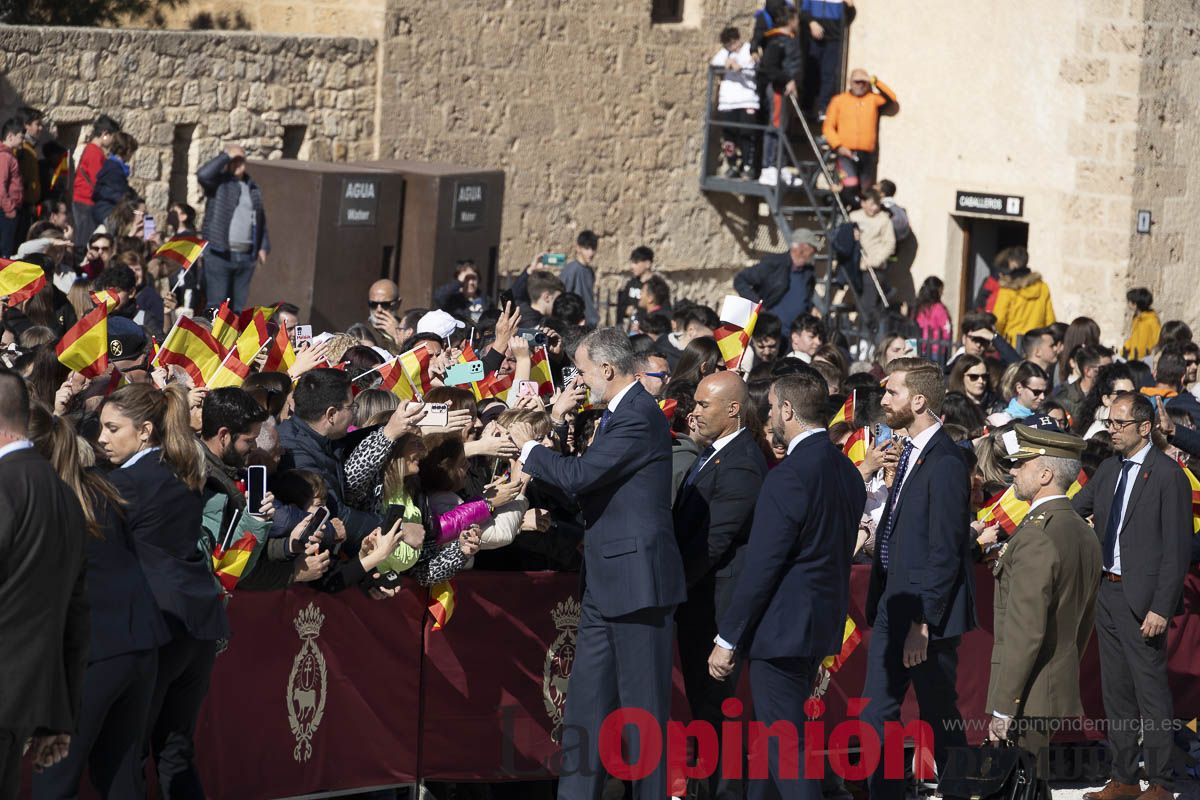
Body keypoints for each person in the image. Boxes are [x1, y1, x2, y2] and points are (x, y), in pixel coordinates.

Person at [509, 328, 686, 800]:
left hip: (638, 583)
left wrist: (530, 449)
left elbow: (581, 476)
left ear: (607, 369)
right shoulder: (617, 414)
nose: (580, 381)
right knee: (585, 708)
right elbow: (587, 486)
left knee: (643, 715)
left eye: (584, 372)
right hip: (604, 581)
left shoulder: (637, 415)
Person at [709, 369, 865, 800]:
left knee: (782, 744)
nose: (770, 415)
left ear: (789, 411)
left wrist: (727, 638)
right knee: (772, 737)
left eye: (774, 407)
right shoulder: (847, 471)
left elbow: (763, 565)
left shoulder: (789, 475)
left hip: (781, 630)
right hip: (818, 625)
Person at [29, 402, 169, 799]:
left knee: (55, 781)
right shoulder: (96, 486)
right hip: (138, 643)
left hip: (92, 654)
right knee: (119, 777)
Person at [97, 383, 229, 798]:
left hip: (157, 626)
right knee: (175, 751)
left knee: (129, 752)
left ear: (144, 430)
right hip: (195, 626)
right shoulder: (182, 471)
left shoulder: (125, 483)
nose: (101, 438)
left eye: (112, 428)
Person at [862, 357, 975, 798]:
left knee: (939, 716)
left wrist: (922, 622)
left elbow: (944, 550)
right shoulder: (906, 450)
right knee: (876, 715)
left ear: (920, 400)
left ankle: (963, 791)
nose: (884, 400)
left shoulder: (946, 460)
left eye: (892, 392)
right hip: (893, 602)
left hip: (926, 617)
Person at [1072, 393, 1192, 800]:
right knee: (1117, 692)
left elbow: (1176, 550)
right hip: (1107, 592)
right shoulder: (1109, 468)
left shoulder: (1168, 475)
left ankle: (1160, 782)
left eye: (1119, 423)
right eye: (1109, 422)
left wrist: (1161, 607)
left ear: (1144, 427)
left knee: (1150, 693)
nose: (1112, 430)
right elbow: (1075, 509)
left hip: (1144, 600)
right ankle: (1124, 778)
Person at [986, 421, 1102, 788]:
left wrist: (1005, 705)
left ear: (1045, 474)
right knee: (1033, 784)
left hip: (1027, 692)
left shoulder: (1039, 535)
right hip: (1050, 683)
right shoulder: (1081, 530)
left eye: (1021, 465)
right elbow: (1083, 623)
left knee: (1023, 785)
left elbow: (1026, 632)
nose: (1013, 472)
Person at [0, 373, 89, 798]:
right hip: (23, 701)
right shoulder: (65, 495)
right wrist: (59, 715)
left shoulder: (7, 486)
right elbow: (76, 617)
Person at [196, 143, 270, 311]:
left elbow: (260, 219)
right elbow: (202, 174)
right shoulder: (218, 183)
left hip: (245, 258)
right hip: (219, 255)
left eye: (240, 160)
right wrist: (226, 155)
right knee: (216, 307)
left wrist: (263, 246)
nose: (237, 164)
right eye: (233, 161)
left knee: (238, 310)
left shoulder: (252, 187)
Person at [822, 68, 899, 193]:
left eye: (863, 82)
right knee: (849, 187)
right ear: (850, 82)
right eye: (857, 82)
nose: (860, 85)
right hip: (845, 152)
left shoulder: (873, 99)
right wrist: (838, 146)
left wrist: (874, 80)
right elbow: (828, 127)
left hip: (867, 154)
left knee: (864, 191)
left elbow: (892, 98)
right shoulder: (839, 100)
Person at [733, 229, 820, 332]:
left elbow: (804, 299)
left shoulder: (808, 273)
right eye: (813, 249)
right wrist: (758, 306)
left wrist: (811, 308)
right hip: (769, 331)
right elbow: (740, 280)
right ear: (802, 248)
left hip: (794, 334)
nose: (815, 253)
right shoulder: (774, 263)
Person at [757, 6, 804, 188]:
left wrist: (794, 81)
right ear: (790, 20)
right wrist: (787, 80)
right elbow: (770, 68)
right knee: (775, 125)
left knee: (784, 127)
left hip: (786, 91)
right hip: (778, 89)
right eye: (796, 20)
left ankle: (780, 165)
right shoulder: (776, 41)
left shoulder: (789, 40)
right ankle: (768, 167)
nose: (798, 23)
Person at [711, 27, 760, 180]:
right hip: (728, 102)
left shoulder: (749, 49)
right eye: (728, 45)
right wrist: (727, 62)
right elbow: (714, 63)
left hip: (747, 99)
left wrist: (739, 66)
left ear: (738, 40)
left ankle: (748, 166)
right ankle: (732, 164)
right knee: (728, 135)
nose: (732, 47)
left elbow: (753, 64)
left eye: (733, 43)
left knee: (747, 133)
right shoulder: (725, 53)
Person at [71, 115, 120, 253]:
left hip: (85, 202)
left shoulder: (93, 151)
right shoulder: (95, 153)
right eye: (113, 137)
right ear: (105, 134)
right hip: (86, 202)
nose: (113, 141)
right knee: (84, 242)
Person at [848, 188, 897, 322]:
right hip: (857, 265)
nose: (874, 208)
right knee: (859, 300)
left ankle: (866, 329)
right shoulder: (854, 217)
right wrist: (851, 235)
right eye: (871, 204)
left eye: (877, 204)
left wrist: (875, 260)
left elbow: (890, 244)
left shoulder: (884, 219)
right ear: (863, 203)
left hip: (874, 268)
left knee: (868, 304)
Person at [801, 0, 857, 118]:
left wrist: (850, 6)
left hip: (834, 39)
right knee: (811, 71)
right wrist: (811, 23)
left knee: (829, 74)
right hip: (813, 38)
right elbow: (804, 11)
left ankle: (824, 108)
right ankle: (807, 107)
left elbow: (849, 17)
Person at [993, 262, 1056, 346]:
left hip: (1012, 343)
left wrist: (996, 340)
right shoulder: (1042, 287)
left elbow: (999, 320)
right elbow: (1050, 320)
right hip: (1036, 343)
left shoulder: (1007, 290)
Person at [91, 131, 138, 228]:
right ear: (127, 151)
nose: (131, 156)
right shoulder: (114, 169)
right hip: (108, 213)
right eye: (131, 152)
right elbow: (119, 194)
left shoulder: (112, 165)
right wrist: (135, 204)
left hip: (105, 212)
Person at [15, 107, 44, 242]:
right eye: (37, 124)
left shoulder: (31, 148)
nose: (41, 128)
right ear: (26, 125)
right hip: (21, 206)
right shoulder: (21, 149)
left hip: (29, 205)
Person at [560, 229, 599, 327]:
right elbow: (563, 298)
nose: (591, 253)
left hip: (589, 323)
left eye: (593, 248)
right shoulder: (571, 270)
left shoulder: (590, 271)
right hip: (576, 324)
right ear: (578, 248)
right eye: (587, 248)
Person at [0, 119, 24, 257]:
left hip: (9, 211)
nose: (22, 141)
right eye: (20, 137)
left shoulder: (9, 156)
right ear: (10, 136)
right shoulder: (4, 157)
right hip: (6, 212)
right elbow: (0, 185)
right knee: (6, 251)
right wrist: (9, 209)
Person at [617, 245, 656, 327]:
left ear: (647, 264)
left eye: (636, 262)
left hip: (648, 329)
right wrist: (626, 310)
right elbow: (621, 307)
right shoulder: (631, 284)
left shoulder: (657, 285)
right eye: (632, 262)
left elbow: (660, 311)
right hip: (631, 329)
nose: (632, 266)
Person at [913, 276, 952, 358]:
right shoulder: (939, 309)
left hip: (920, 348)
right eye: (941, 290)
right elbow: (947, 330)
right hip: (936, 350)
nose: (942, 293)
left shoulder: (920, 307)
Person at [364, 278, 403, 352]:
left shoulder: (407, 329)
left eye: (385, 304)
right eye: (373, 304)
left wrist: (398, 336)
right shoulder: (362, 331)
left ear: (398, 304)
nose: (379, 310)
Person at [1123, 287, 1161, 361]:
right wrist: (1125, 349)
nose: (1127, 304)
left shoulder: (1152, 320)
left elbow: (1157, 341)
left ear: (1135, 304)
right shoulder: (1136, 318)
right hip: (1134, 358)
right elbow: (1133, 338)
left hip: (1145, 359)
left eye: (1129, 301)